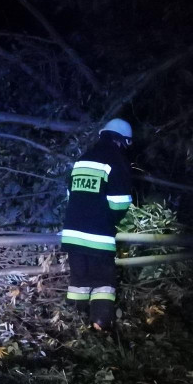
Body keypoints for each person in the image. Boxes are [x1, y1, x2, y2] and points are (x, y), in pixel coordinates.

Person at [61, 118, 134, 331]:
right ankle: (100, 326)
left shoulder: (82, 160)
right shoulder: (116, 161)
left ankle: (74, 325)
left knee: (79, 281)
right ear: (122, 141)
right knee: (103, 283)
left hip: (73, 235)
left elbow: (70, 195)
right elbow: (120, 202)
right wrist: (109, 220)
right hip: (99, 236)